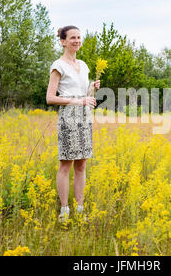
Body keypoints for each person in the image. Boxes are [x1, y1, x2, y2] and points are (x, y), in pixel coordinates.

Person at [46, 25, 100, 222]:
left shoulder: (84, 65)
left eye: (79, 37)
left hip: (84, 117)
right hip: (68, 117)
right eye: (72, 38)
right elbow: (50, 98)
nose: (77, 40)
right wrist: (79, 100)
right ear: (63, 41)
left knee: (81, 165)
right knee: (65, 165)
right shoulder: (58, 66)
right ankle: (64, 210)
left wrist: (91, 88)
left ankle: (79, 208)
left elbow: (84, 96)